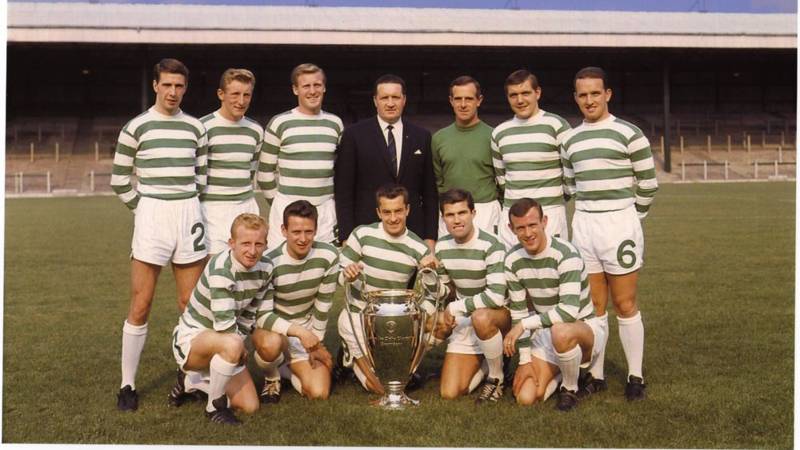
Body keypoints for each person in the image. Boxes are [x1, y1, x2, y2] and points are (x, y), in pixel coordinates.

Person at [111, 58, 208, 411]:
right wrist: (144, 209)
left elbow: (202, 178)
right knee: (141, 303)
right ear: (155, 85)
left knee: (191, 304)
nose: (172, 92)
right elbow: (119, 180)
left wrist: (185, 204)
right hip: (152, 212)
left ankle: (192, 378)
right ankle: (127, 384)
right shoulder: (136, 127)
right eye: (166, 84)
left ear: (186, 88)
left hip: (188, 213)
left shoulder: (196, 128)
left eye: (179, 86)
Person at [561, 66, 658, 401]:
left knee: (625, 302)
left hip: (619, 224)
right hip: (585, 224)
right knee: (594, 305)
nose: (589, 100)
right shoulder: (569, 139)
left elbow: (648, 184)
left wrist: (630, 217)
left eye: (595, 93)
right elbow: (570, 185)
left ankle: (635, 376)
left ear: (607, 94)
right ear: (575, 98)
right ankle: (597, 375)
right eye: (582, 94)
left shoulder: (629, 133)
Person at [168, 213, 277, 425]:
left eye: (258, 244)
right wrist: (238, 348)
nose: (252, 251)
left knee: (250, 406)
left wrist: (238, 345)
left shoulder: (266, 268)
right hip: (194, 338)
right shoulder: (221, 268)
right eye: (245, 243)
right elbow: (225, 326)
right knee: (233, 343)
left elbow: (249, 314)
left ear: (266, 244)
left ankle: (191, 382)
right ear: (231, 243)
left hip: (226, 341)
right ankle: (214, 407)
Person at [501, 198, 607, 411]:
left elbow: (568, 312)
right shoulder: (512, 260)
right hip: (546, 332)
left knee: (561, 331)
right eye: (520, 228)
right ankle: (562, 370)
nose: (528, 233)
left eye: (533, 225)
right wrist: (524, 361)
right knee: (525, 397)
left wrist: (524, 325)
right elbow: (519, 312)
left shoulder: (566, 254)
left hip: (582, 329)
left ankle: (570, 387)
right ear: (511, 229)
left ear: (545, 222)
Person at [336, 184, 435, 394]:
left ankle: (381, 362)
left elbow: (434, 294)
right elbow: (339, 273)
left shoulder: (419, 247)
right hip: (358, 314)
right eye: (387, 212)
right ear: (378, 212)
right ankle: (354, 359)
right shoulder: (362, 234)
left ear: (407, 210)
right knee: (382, 389)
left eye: (398, 211)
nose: (393, 218)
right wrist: (347, 274)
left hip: (393, 319)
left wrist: (429, 273)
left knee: (397, 380)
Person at [334, 74, 438, 251]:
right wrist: (347, 237)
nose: (390, 103)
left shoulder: (421, 136)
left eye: (395, 97)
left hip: (413, 233)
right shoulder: (354, 135)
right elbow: (344, 191)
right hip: (367, 232)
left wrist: (430, 237)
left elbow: (429, 192)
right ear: (375, 100)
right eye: (384, 98)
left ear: (404, 100)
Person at [256, 200, 339, 402]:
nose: (303, 239)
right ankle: (272, 376)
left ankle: (285, 368)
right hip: (276, 331)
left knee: (319, 393)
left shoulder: (328, 255)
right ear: (284, 230)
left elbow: (323, 304)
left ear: (316, 230)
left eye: (308, 232)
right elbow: (262, 316)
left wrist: (316, 342)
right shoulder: (268, 262)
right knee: (270, 344)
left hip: (307, 333)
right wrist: (301, 333)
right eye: (296, 232)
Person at [433, 189, 509, 403]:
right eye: (450, 215)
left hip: (496, 317)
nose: (457, 220)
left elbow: (496, 297)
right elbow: (445, 291)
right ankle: (489, 362)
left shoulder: (492, 245)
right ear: (443, 218)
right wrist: (429, 276)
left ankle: (497, 377)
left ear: (473, 213)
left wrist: (455, 308)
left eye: (462, 213)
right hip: (467, 317)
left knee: (481, 317)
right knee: (449, 392)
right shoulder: (442, 246)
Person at [258, 63, 343, 249]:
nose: (312, 91)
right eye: (306, 86)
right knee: (282, 264)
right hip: (288, 209)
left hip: (324, 211)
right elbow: (264, 174)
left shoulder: (335, 124)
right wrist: (284, 206)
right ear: (295, 89)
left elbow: (341, 170)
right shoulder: (280, 122)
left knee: (326, 263)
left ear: (324, 87)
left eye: (317, 85)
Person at [491, 69, 572, 249]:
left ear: (538, 93)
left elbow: (570, 174)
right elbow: (502, 179)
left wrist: (554, 200)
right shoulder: (499, 133)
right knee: (511, 266)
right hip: (512, 216)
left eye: (525, 93)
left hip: (550, 214)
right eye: (513, 95)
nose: (520, 100)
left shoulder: (557, 126)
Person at [200, 68, 264, 254]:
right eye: (235, 94)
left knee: (248, 268)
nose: (241, 101)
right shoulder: (203, 127)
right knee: (214, 268)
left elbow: (250, 171)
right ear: (221, 94)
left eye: (246, 95)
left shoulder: (256, 130)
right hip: (212, 211)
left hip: (246, 208)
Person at [431, 76, 501, 238]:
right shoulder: (439, 138)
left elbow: (502, 178)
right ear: (451, 101)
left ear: (479, 100)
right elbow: (437, 181)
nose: (463, 104)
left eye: (469, 99)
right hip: (451, 211)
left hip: (485, 211)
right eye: (458, 99)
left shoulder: (494, 136)